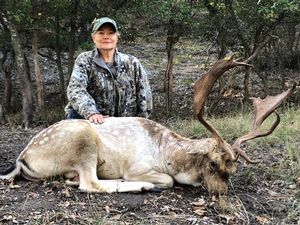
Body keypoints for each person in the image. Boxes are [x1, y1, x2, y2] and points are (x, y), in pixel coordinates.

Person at [65, 17, 153, 124]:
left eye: (111, 33)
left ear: (117, 37)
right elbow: (75, 90)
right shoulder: (84, 60)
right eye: (101, 33)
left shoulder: (132, 63)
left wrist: (142, 123)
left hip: (124, 125)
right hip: (90, 121)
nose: (106, 37)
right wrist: (92, 113)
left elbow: (145, 96)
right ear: (93, 37)